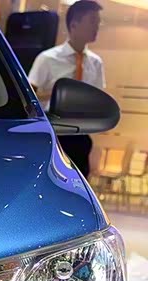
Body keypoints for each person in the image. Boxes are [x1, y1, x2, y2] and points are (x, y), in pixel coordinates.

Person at [28, 1, 104, 178]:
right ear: (74, 24)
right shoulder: (47, 59)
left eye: (99, 21)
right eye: (93, 20)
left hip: (81, 136)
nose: (97, 26)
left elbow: (98, 99)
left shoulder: (96, 63)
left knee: (79, 185)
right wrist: (58, 96)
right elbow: (29, 98)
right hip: (53, 135)